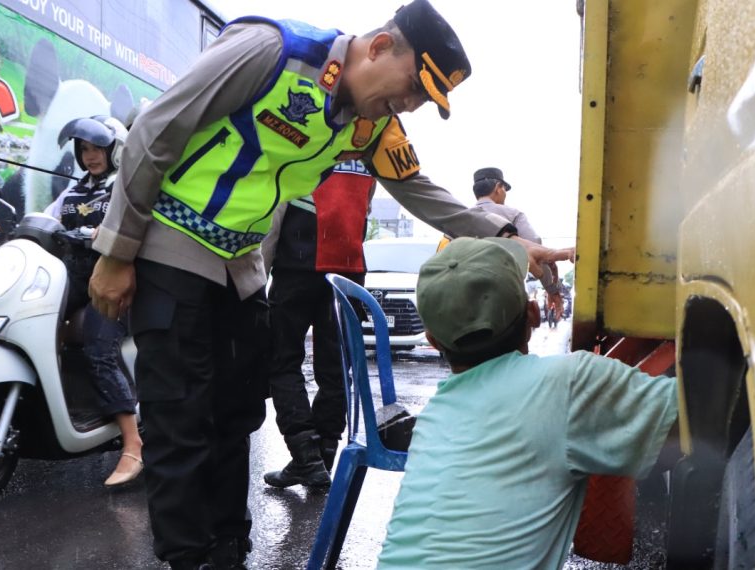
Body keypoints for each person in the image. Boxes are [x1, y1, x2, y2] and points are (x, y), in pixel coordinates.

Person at [86, 1, 572, 567]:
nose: (409, 106)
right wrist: (118, 252)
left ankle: (226, 551)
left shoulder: (371, 124)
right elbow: (156, 130)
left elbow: (420, 190)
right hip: (170, 247)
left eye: (421, 101)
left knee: (236, 418)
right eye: (414, 87)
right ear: (381, 47)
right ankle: (188, 558)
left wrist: (512, 236)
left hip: (239, 268)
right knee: (181, 422)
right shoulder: (274, 50)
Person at [377, 237, 677, 569]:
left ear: (433, 342)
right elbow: (698, 419)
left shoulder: (435, 416)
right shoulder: (569, 383)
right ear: (533, 315)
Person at [260, 160, 375, 489]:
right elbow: (364, 209)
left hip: (297, 264)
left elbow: (276, 211)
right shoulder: (371, 152)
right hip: (348, 269)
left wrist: (257, 276)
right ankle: (323, 455)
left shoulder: (313, 137)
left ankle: (306, 457)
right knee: (336, 368)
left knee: (282, 362)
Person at [43, 115, 143, 488]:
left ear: (114, 149)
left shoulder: (126, 189)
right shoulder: (73, 192)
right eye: (84, 149)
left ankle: (133, 443)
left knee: (98, 348)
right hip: (74, 279)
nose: (90, 156)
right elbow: (46, 218)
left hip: (116, 289)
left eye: (97, 148)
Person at [471, 167, 564, 309]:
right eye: (504, 190)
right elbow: (535, 249)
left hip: (468, 296)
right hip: (506, 294)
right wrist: (552, 290)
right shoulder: (513, 215)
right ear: (498, 188)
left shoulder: (460, 218)